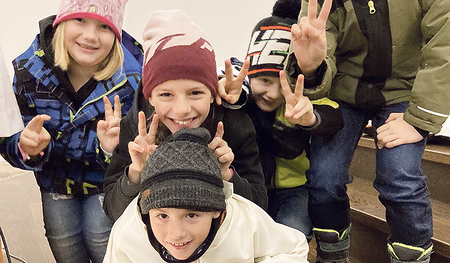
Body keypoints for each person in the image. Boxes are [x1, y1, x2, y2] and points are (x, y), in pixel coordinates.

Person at [284, 0, 450, 262]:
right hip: (343, 89)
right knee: (324, 178)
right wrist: (311, 68)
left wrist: (419, 120)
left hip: (405, 89)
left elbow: (445, 44)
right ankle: (332, 256)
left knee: (400, 178)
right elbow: (316, 39)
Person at [1, 0, 143, 262]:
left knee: (101, 236)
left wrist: (111, 148)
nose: (90, 35)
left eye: (103, 25)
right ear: (62, 22)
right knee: (63, 240)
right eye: (80, 20)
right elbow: (8, 135)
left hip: (105, 181)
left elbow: (140, 153)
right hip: (55, 182)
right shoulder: (27, 71)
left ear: (116, 33)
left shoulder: (131, 81)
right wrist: (27, 148)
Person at [102, 9, 267, 222]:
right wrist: (136, 172)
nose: (182, 109)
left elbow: (260, 207)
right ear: (150, 97)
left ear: (212, 93)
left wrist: (227, 175)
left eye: (195, 93)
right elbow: (113, 211)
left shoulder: (233, 125)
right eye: (166, 94)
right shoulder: (136, 128)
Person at [217, 0, 342, 240]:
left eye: (283, 83)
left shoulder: (299, 98)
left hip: (294, 189)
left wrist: (310, 118)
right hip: (245, 185)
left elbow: (334, 115)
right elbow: (226, 76)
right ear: (249, 73)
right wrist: (225, 92)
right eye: (264, 80)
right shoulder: (241, 92)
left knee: (291, 233)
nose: (273, 93)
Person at [103, 126, 309, 263]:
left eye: (192, 215)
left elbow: (295, 249)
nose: (176, 233)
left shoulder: (243, 220)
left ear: (217, 210)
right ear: (147, 212)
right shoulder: (127, 234)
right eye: (162, 215)